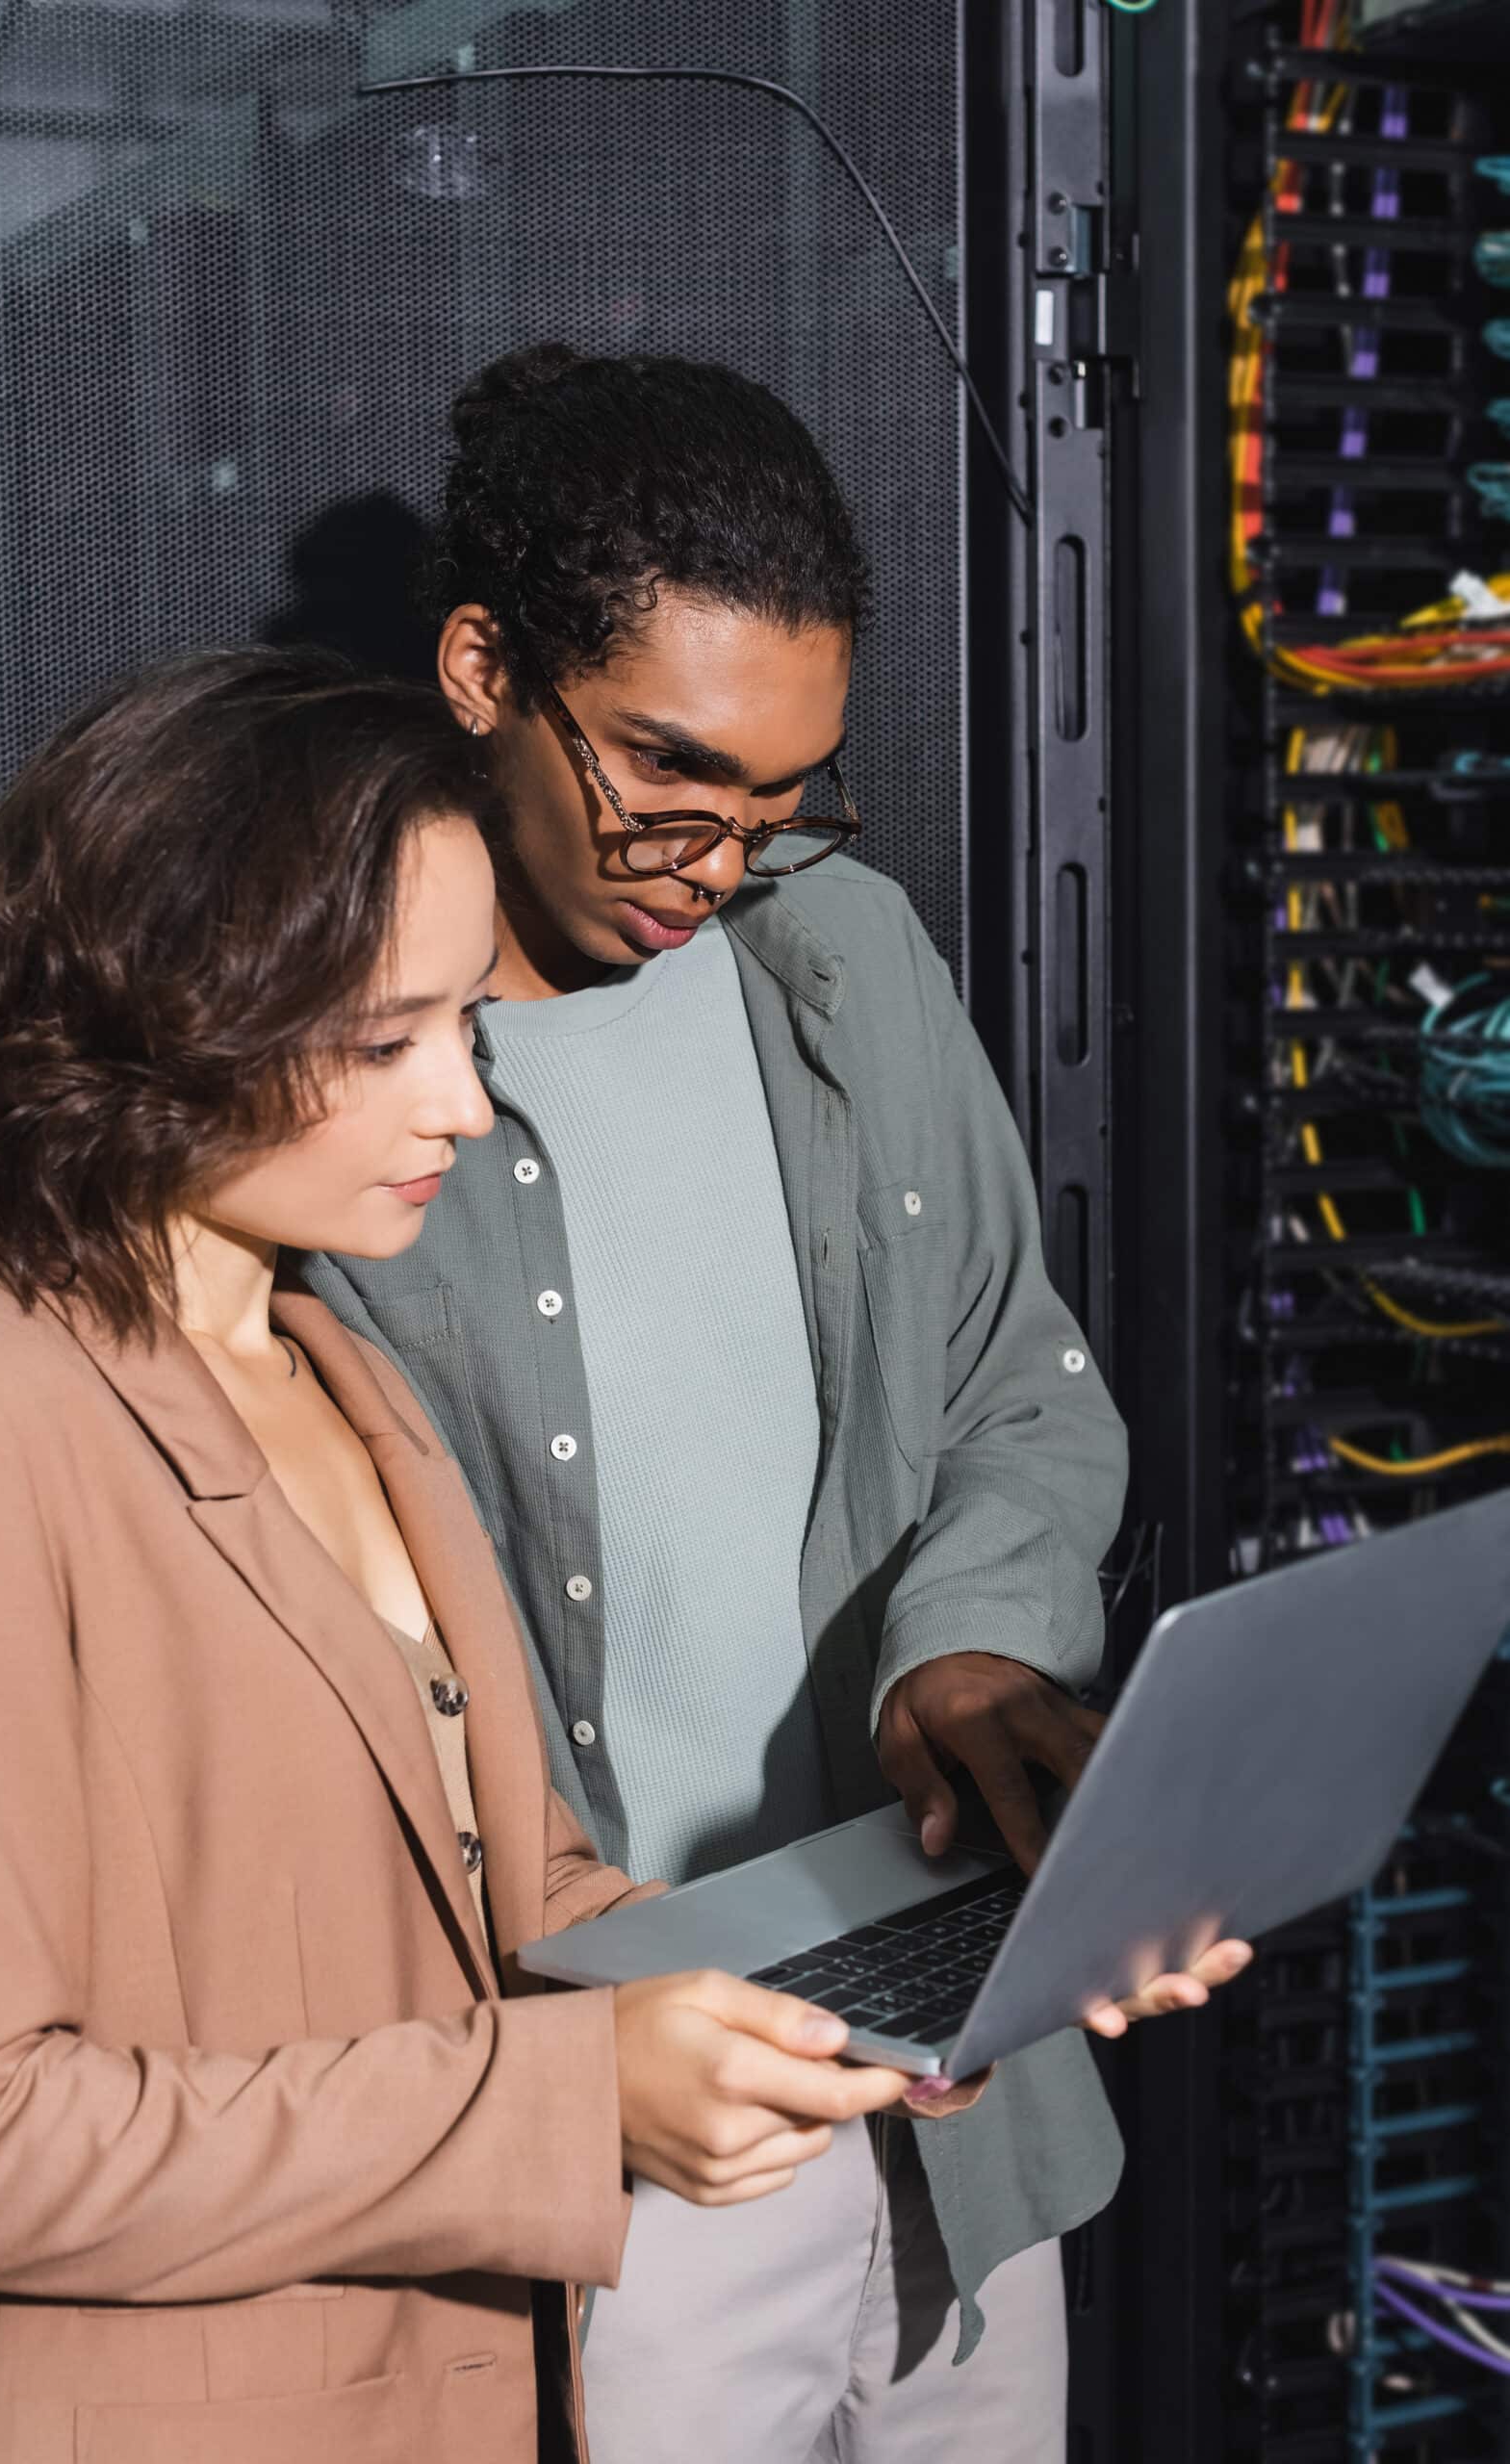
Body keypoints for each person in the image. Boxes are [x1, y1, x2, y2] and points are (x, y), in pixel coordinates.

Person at [299, 346, 1251, 2463]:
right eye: (665, 774)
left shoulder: (851, 959)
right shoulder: (311, 1065)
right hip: (603, 2144)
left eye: (781, 794)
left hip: (946, 2108)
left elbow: (1019, 1377)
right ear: (480, 669)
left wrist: (970, 1649)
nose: (717, 859)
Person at [0, 647, 947, 2464]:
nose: (458, 1103)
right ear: (179, 1000)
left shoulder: (337, 1364)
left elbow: (511, 1900)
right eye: (385, 1042)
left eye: (466, 1029)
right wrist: (568, 2099)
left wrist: (890, 1987)